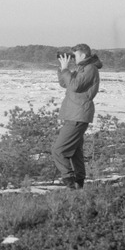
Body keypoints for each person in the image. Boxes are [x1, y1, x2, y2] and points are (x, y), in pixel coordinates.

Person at [51, 43, 103, 189]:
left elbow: (74, 86)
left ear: (84, 55)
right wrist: (62, 68)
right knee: (75, 152)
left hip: (78, 115)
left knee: (58, 150)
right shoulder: (82, 69)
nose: (73, 58)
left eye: (75, 55)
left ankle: (69, 181)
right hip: (75, 114)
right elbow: (65, 83)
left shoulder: (90, 69)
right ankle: (79, 183)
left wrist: (67, 69)